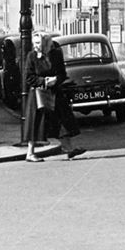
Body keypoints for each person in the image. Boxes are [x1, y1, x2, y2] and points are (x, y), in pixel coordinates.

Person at [22, 31, 85, 162]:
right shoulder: (31, 56)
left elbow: (62, 73)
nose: (35, 46)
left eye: (38, 43)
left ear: (45, 43)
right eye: (34, 43)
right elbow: (28, 77)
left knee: (62, 120)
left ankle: (69, 149)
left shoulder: (56, 54)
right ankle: (30, 153)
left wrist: (56, 79)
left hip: (55, 92)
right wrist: (44, 81)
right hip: (38, 95)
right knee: (36, 123)